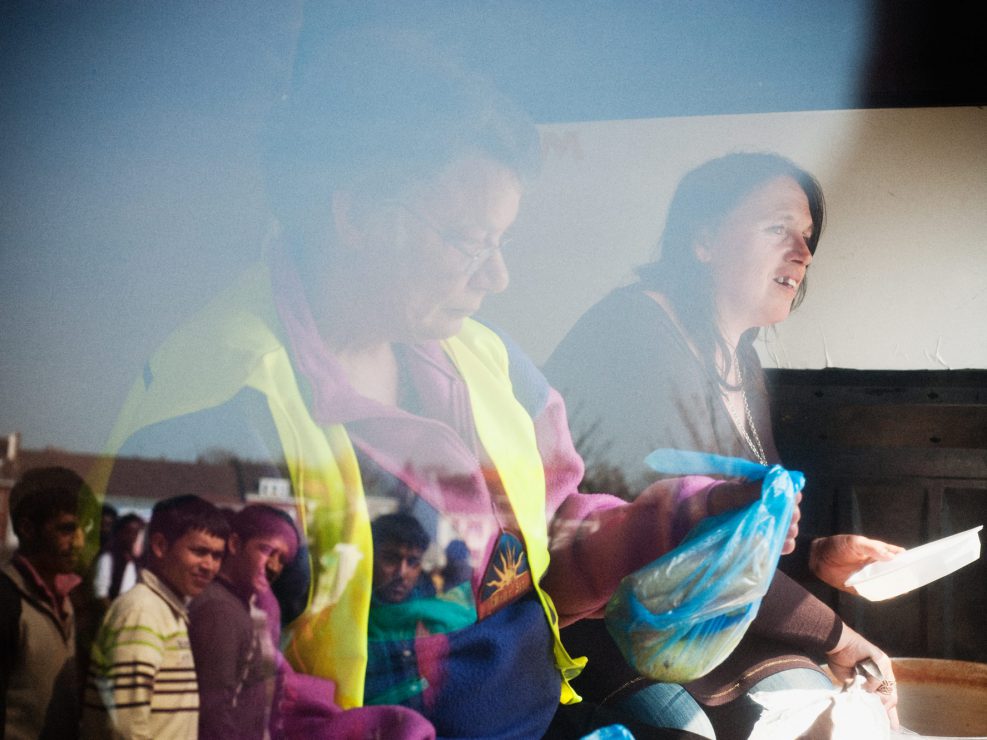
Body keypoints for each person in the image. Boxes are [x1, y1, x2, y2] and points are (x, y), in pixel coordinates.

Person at [91, 29, 781, 739]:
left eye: (500, 242)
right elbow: (215, 702)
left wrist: (679, 525)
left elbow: (539, 544)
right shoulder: (221, 417)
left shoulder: (483, 360)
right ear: (354, 213)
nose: (496, 276)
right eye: (468, 241)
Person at [545, 151, 903, 738]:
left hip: (699, 620)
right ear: (704, 240)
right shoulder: (635, 331)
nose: (804, 253)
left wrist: (815, 552)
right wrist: (840, 636)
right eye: (777, 229)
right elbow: (679, 540)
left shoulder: (740, 358)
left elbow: (737, 527)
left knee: (827, 717)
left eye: (807, 237)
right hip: (603, 619)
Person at [81, 494, 228, 739]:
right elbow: (126, 728)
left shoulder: (169, 611)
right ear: (160, 546)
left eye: (217, 556)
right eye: (199, 551)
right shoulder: (141, 612)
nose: (209, 565)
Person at [189, 503, 298, 740]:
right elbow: (214, 710)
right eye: (267, 551)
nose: (274, 566)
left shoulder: (246, 603)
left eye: (282, 559)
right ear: (235, 544)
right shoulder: (219, 608)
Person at [1, 466, 88, 740]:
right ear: (27, 529)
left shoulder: (69, 598)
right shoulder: (7, 600)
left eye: (84, 529)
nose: (79, 542)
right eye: (67, 529)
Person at [92, 512, 145, 609]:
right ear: (119, 532)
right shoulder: (108, 557)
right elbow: (101, 594)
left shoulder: (137, 562)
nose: (132, 537)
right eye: (128, 532)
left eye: (136, 533)